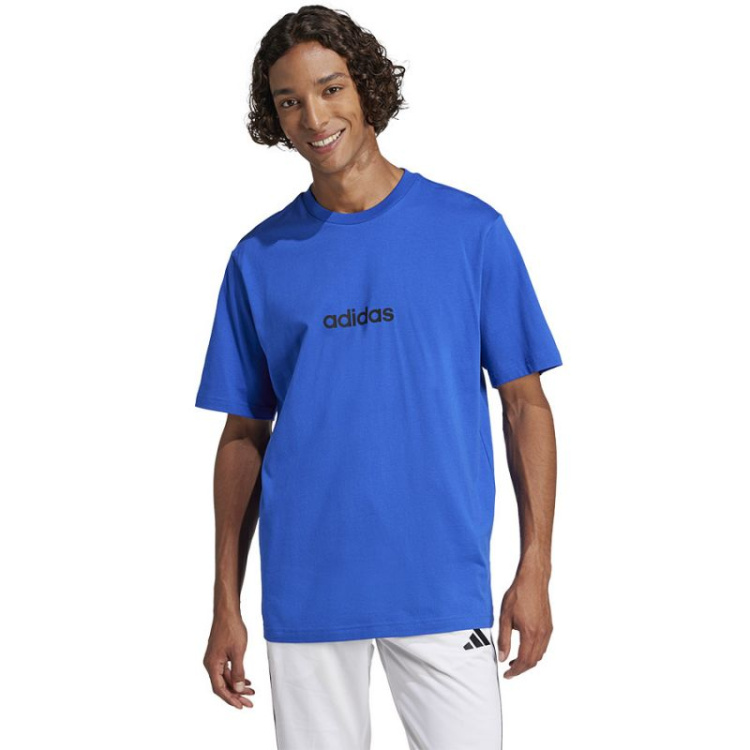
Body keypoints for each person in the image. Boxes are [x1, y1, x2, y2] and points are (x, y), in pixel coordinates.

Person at [195, 5, 562, 749]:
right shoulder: (258, 258)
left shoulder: (470, 232)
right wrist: (224, 601)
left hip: (440, 583)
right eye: (289, 101)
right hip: (307, 591)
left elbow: (526, 406)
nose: (313, 117)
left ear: (365, 87)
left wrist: (536, 567)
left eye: (330, 89)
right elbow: (243, 436)